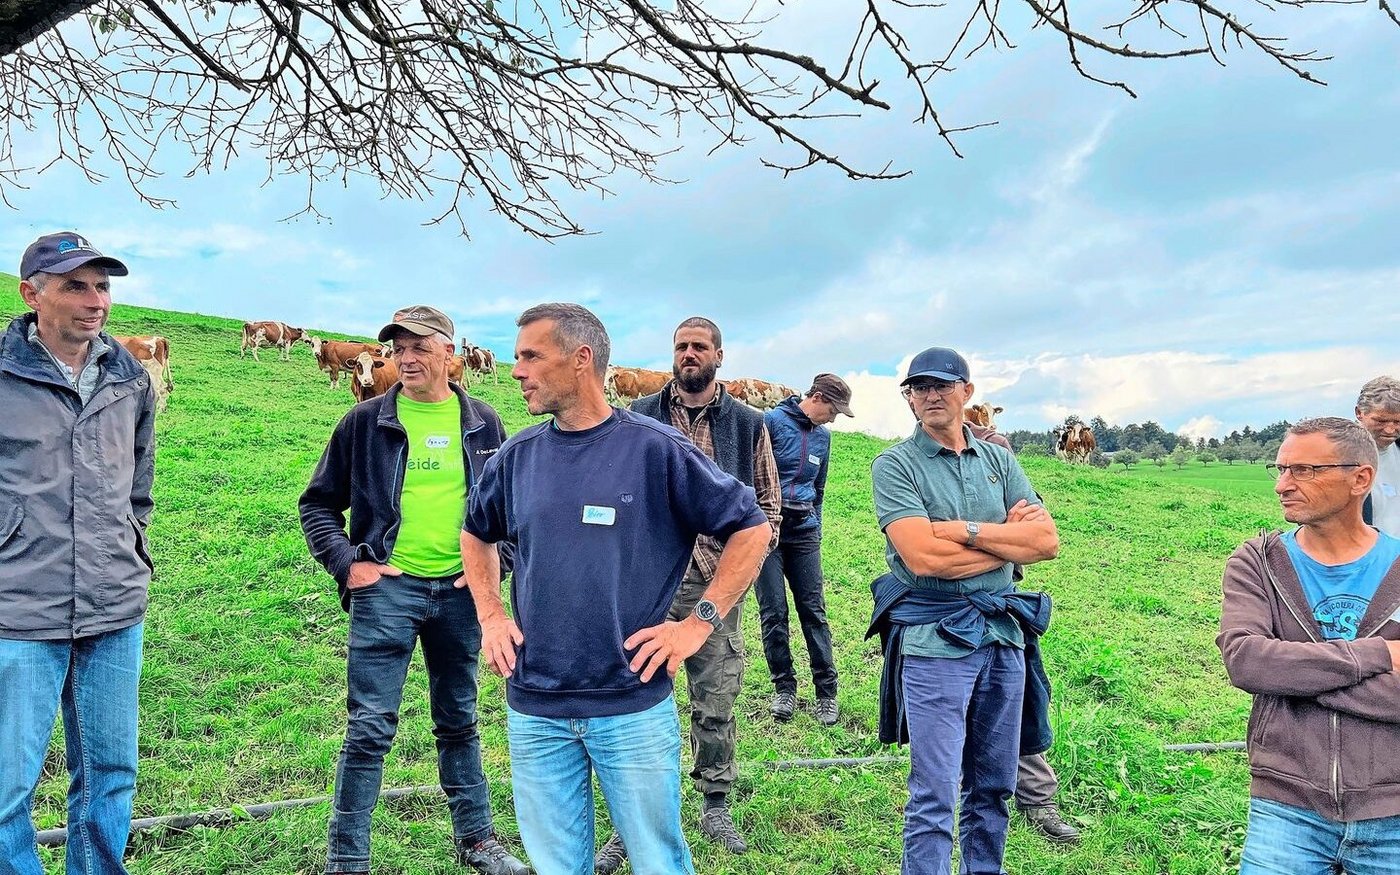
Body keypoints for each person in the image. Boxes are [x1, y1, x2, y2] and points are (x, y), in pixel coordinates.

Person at [460, 303, 770, 875]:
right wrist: (491, 615)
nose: (516, 370)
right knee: (556, 865)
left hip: (631, 704)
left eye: (531, 355)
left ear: (581, 360)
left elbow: (751, 527)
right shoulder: (517, 457)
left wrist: (698, 623)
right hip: (535, 705)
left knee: (656, 860)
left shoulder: (657, 450)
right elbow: (475, 534)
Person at [299, 305, 528, 875]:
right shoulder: (365, 421)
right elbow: (318, 503)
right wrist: (349, 564)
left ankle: (477, 841)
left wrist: (493, 568)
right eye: (399, 347)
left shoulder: (483, 424)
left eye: (421, 346)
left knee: (459, 718)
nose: (407, 357)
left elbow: (509, 513)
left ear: (450, 353)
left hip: (460, 594)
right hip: (387, 591)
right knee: (370, 727)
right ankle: (347, 860)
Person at [593, 316, 782, 867]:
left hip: (715, 582)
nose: (689, 354)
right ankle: (630, 822)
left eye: (700, 346)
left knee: (716, 693)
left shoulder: (748, 424)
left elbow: (768, 509)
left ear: (720, 356)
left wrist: (734, 572)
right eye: (681, 346)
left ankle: (715, 802)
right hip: (649, 581)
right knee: (636, 701)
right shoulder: (639, 416)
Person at [867, 346, 1059, 875]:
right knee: (934, 792)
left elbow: (1045, 541)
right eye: (917, 387)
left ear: (966, 392)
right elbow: (922, 557)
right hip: (935, 641)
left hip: (1002, 636)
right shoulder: (895, 465)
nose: (929, 395)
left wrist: (966, 531)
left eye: (941, 385)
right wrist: (1005, 539)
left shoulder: (999, 460)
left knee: (994, 785)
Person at [0, 233, 154, 875]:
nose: (96, 302)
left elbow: (138, 481)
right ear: (31, 293)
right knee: (8, 783)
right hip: (17, 606)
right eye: (76, 286)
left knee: (110, 773)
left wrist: (132, 547)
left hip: (113, 604)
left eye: (103, 286)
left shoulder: (129, 376)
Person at [1219, 417, 1400, 873]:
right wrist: (1377, 655)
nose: (1283, 485)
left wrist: (1295, 676)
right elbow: (1247, 662)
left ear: (1360, 478)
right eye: (1280, 469)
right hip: (1286, 803)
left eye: (1305, 470)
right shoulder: (1257, 562)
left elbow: (1271, 667)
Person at [963, 423, 1080, 845]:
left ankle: (1038, 801)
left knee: (1025, 705)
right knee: (948, 710)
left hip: (1005, 605)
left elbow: (1040, 539)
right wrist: (1000, 536)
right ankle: (961, 794)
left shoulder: (1006, 467)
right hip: (944, 610)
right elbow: (928, 544)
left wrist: (980, 537)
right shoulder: (926, 476)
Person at [755, 373, 852, 726]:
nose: (834, 417)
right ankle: (784, 689)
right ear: (818, 397)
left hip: (804, 534)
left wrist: (817, 527)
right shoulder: (769, 423)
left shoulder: (823, 440)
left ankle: (827, 692)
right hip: (767, 534)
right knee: (774, 613)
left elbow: (820, 489)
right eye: (834, 410)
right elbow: (752, 477)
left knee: (814, 611)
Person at [1355, 376, 1400, 536]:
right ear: (1359, 413)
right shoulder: (1338, 456)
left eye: (1397, 422)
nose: (1390, 430)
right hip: (1368, 556)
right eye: (1381, 421)